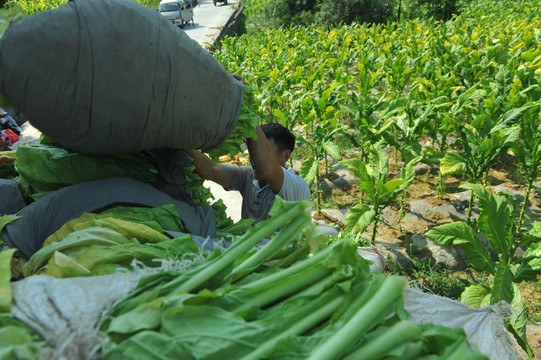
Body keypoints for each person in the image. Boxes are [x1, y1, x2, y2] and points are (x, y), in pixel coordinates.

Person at [185, 123, 310, 223]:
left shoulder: (296, 185)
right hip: (248, 254)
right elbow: (210, 170)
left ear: (286, 156)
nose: (253, 158)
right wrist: (182, 141)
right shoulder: (247, 176)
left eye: (262, 153)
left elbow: (267, 169)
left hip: (278, 255)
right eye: (252, 152)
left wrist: (249, 120)